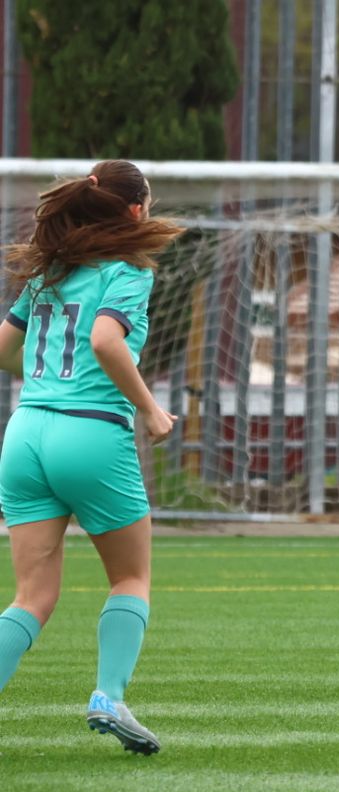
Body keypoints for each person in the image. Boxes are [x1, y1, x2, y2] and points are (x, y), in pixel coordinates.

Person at [0, 160, 183, 754]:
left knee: (32, 597)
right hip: (90, 434)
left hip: (24, 434)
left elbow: (5, 349)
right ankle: (108, 695)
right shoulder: (127, 271)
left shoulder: (49, 273)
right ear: (135, 210)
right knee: (130, 577)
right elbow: (106, 340)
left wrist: (43, 374)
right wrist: (153, 412)